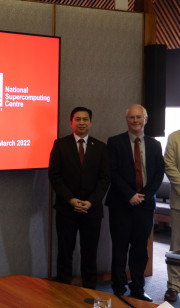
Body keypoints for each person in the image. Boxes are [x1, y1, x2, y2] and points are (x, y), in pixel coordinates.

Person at [106, 104, 164, 302]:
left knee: (140, 250)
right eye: (131, 117)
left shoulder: (155, 145)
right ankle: (119, 287)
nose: (135, 120)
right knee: (120, 248)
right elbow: (112, 172)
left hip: (145, 206)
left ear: (146, 120)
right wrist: (130, 194)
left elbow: (158, 174)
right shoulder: (114, 142)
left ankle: (138, 288)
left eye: (139, 117)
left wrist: (145, 196)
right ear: (126, 120)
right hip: (121, 204)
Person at [48, 106, 110, 289]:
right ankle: (63, 290)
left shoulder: (100, 147)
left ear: (91, 123)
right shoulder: (60, 145)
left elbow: (105, 178)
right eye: (77, 119)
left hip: (92, 210)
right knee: (65, 252)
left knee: (89, 253)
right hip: (67, 209)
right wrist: (71, 199)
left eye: (85, 119)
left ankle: (89, 290)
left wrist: (91, 201)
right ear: (71, 122)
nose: (81, 123)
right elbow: (54, 176)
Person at [165, 130, 180, 302]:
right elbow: (169, 165)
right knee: (176, 246)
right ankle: (173, 286)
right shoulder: (174, 137)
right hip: (179, 200)